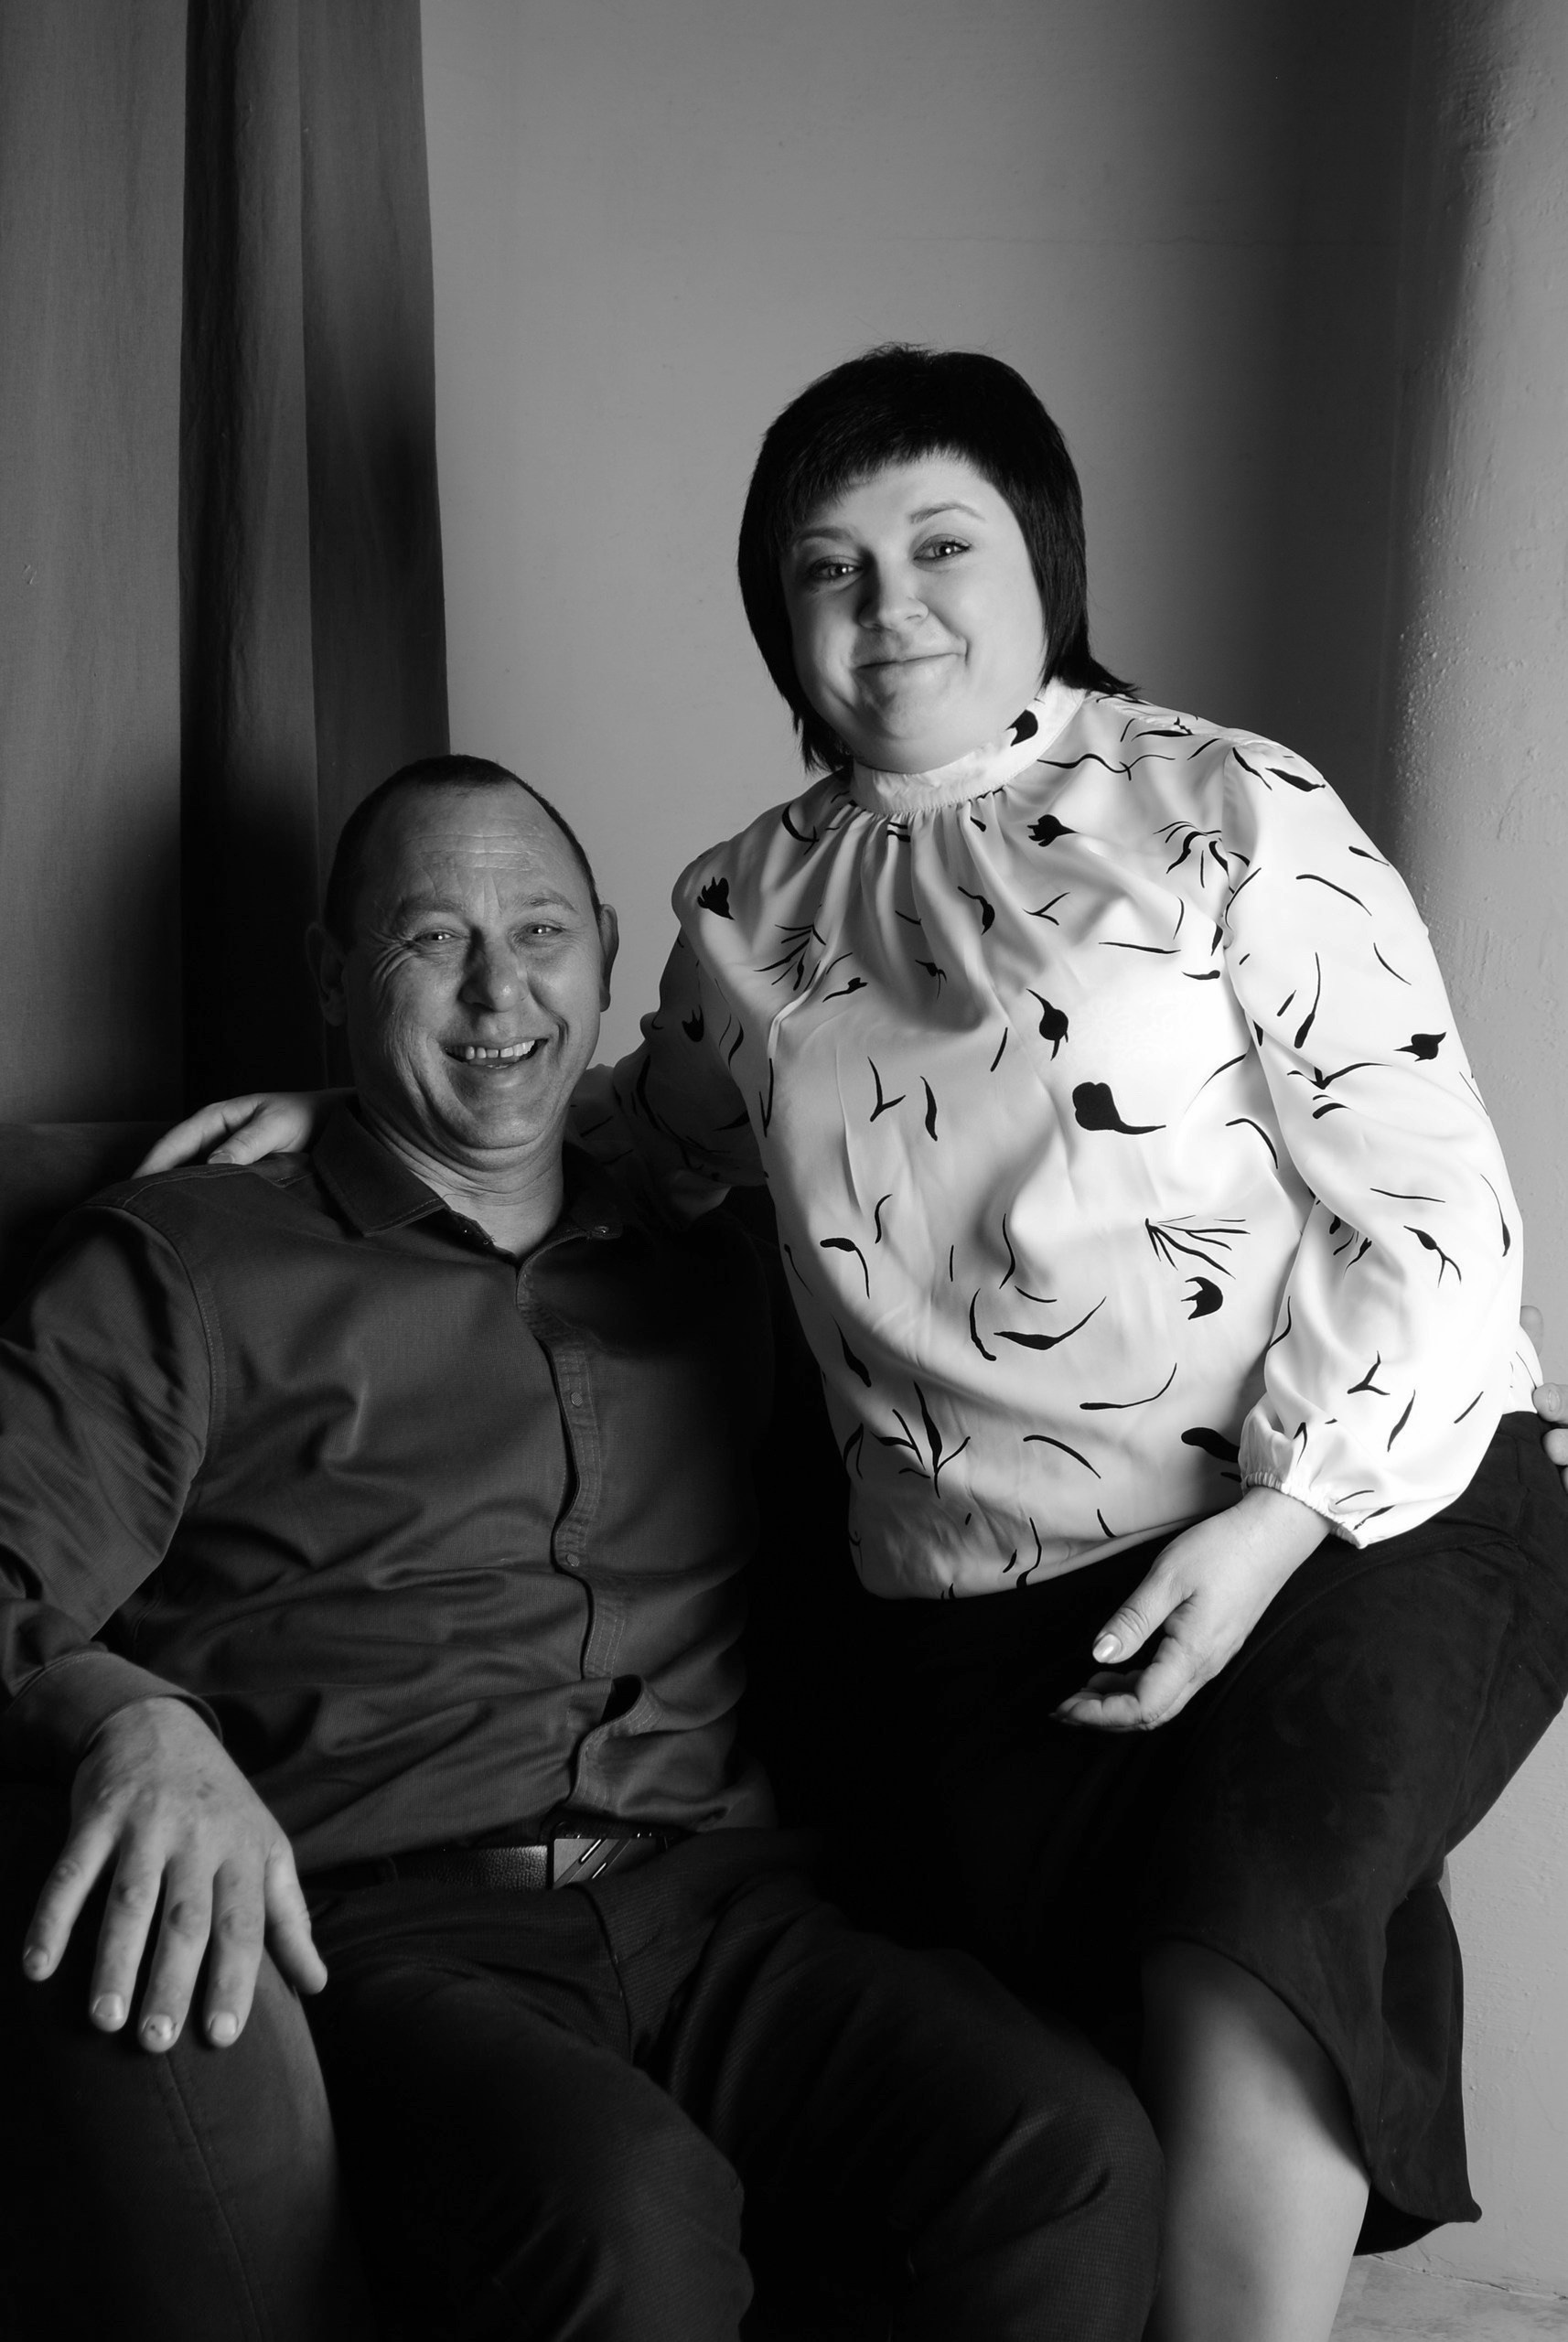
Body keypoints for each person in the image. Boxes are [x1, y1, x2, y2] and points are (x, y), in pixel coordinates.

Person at [143, 349, 1568, 2342]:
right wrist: (355, 1110)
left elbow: (1435, 1213)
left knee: (1256, 1916)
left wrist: (1272, 1528)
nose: (888, 605)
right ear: (779, 621)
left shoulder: (1226, 805)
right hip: (989, 1610)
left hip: (1354, 1511)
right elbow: (629, 1130)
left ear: (1042, 564)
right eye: (828, 566)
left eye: (939, 545)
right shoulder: (751, 907)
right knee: (1068, 2069)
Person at [0, 758, 1164, 2342]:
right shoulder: (183, 1265)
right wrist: (130, 1722)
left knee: (1068, 2155)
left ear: (611, 953)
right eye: (430, 941)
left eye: (541, 932)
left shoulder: (723, 1260)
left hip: (722, 1913)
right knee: (627, 2210)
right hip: (390, 1936)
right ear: (332, 976)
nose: (500, 990)